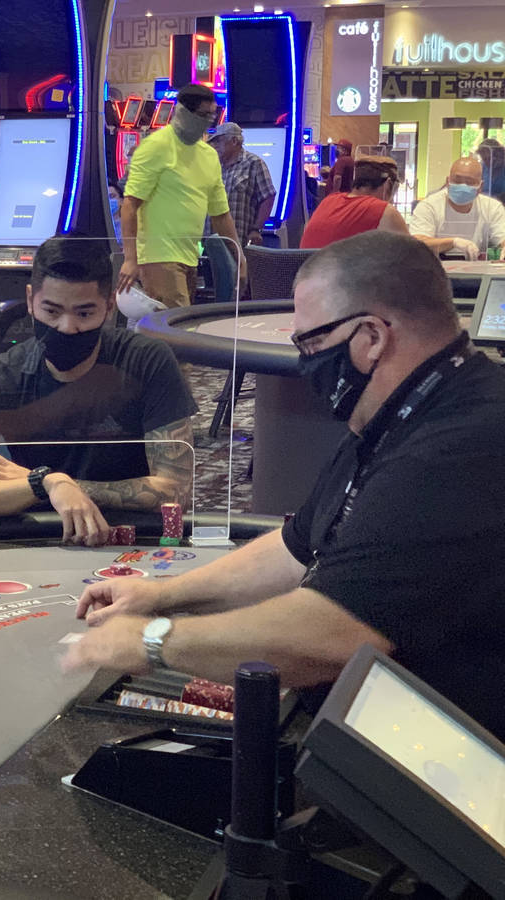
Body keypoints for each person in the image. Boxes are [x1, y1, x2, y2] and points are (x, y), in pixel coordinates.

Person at [64, 231, 505, 741]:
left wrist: (155, 641)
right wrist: (160, 596)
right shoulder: (408, 408)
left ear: (371, 338)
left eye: (312, 343)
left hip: (460, 754)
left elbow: (334, 633)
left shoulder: (461, 445)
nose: (306, 362)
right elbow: (297, 546)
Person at [0, 237, 196, 546]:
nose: (67, 327)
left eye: (84, 314)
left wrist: (65, 487)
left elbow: (177, 490)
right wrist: (47, 481)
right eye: (52, 311)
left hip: (135, 537)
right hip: (44, 536)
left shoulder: (147, 360)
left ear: (109, 307)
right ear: (31, 299)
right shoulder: (0, 375)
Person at [117, 84, 242, 308]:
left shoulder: (209, 156)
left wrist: (239, 254)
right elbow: (129, 206)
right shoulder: (155, 147)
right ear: (183, 112)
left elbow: (221, 215)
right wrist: (130, 259)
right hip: (158, 256)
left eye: (212, 116)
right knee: (176, 328)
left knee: (179, 326)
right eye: (203, 115)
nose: (208, 121)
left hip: (190, 256)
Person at [300, 156, 409, 249]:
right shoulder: (384, 211)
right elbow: (413, 258)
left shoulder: (328, 201)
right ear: (388, 184)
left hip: (308, 272)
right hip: (344, 273)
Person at [410, 156, 505, 258]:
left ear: (480, 186)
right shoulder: (429, 206)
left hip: (476, 269)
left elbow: (502, 237)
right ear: (448, 181)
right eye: (457, 181)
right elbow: (417, 242)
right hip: (434, 269)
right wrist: (453, 242)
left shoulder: (492, 208)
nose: (463, 186)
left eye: (469, 182)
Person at [208, 122, 277, 248]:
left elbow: (268, 196)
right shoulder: (215, 166)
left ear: (234, 141)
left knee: (237, 267)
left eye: (219, 141)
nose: (215, 146)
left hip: (239, 240)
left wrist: (256, 229)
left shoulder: (253, 163)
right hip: (212, 241)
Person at [476, 138, 505, 205]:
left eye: (489, 158)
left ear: (499, 155)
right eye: (484, 159)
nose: (487, 162)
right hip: (484, 204)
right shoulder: (482, 167)